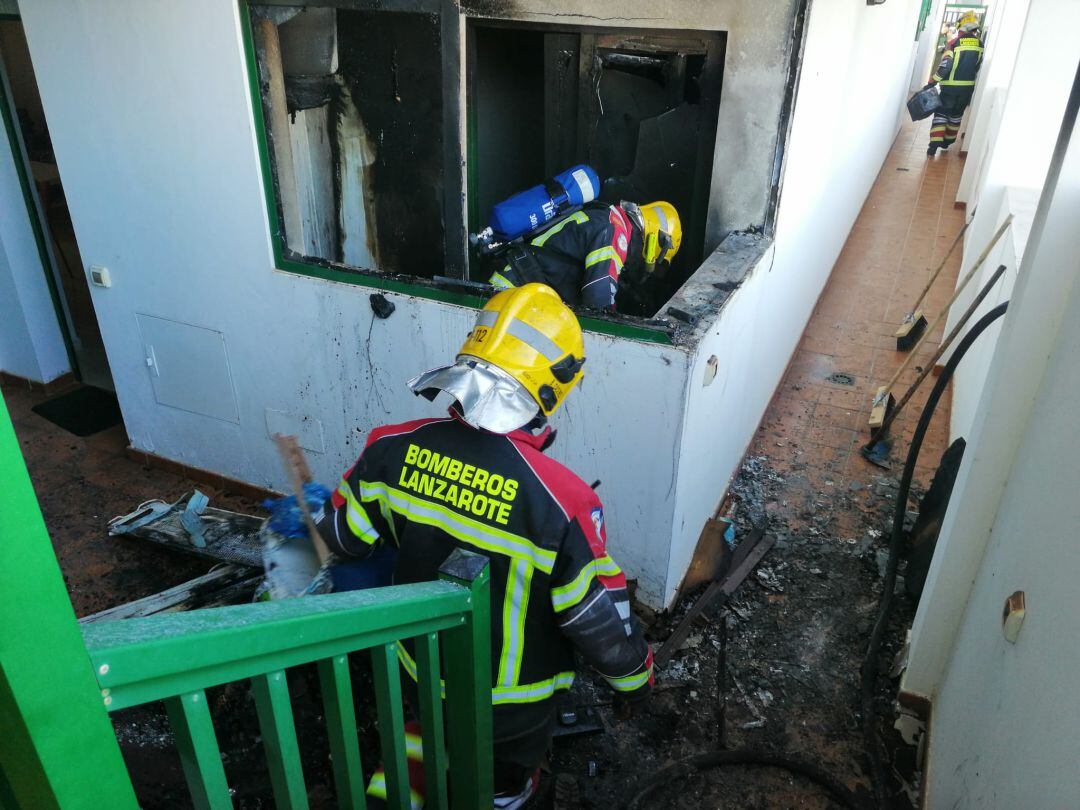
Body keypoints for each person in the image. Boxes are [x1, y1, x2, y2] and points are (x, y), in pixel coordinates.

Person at [315, 283, 654, 808]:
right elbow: (595, 620)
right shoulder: (562, 502)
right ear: (554, 388)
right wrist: (635, 680)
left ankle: (409, 781)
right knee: (500, 783)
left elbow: (342, 539)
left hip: (419, 666)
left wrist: (318, 513)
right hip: (512, 704)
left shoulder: (390, 447)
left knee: (427, 731)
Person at [488, 200, 681, 312]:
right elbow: (598, 301)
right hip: (511, 296)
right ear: (653, 248)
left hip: (516, 291)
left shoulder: (606, 215)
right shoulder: (614, 233)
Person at [924, 14, 984, 156]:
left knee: (941, 114)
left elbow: (945, 66)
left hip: (949, 89)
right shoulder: (980, 45)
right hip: (967, 89)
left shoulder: (954, 43)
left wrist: (932, 81)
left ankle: (933, 146)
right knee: (956, 116)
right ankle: (947, 142)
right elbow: (977, 66)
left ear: (961, 28)